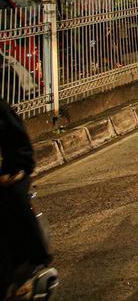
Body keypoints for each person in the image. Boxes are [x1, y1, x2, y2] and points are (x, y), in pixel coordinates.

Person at [0, 96, 58, 301]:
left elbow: (19, 145)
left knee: (13, 200)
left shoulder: (1, 109)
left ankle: (33, 263)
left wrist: (14, 170)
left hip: (9, 174)